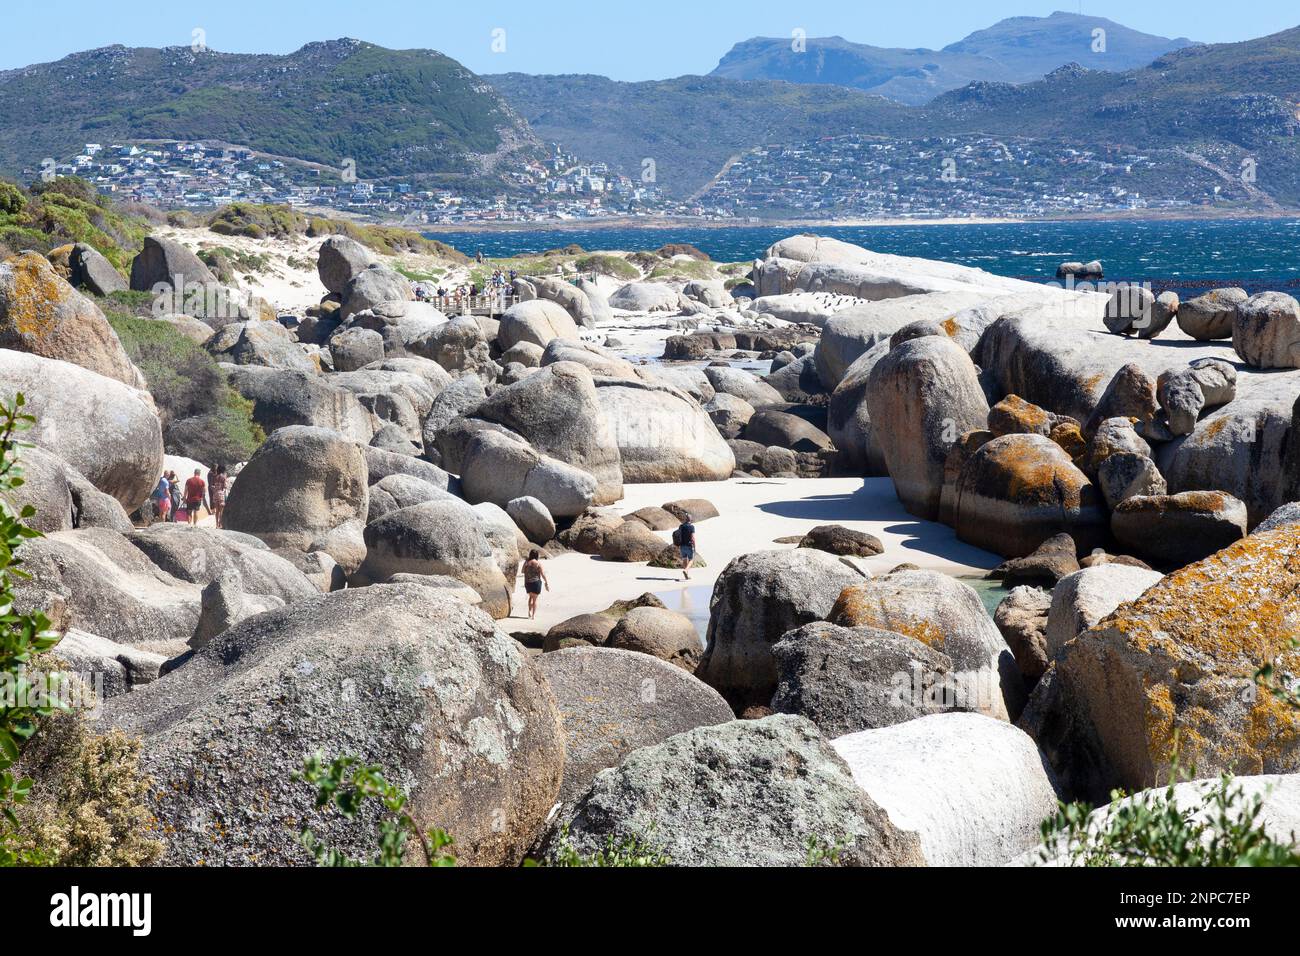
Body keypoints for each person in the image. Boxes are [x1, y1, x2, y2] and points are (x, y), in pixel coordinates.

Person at [521, 550, 549, 620]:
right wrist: (546, 582)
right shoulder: (538, 563)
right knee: (535, 600)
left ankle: (529, 611)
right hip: (536, 583)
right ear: (537, 556)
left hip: (528, 583)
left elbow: (522, 571)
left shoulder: (527, 562)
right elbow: (542, 574)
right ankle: (533, 615)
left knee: (530, 597)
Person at [675, 514, 697, 581]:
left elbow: (678, 535)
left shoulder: (681, 526)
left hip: (682, 545)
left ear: (685, 519)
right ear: (691, 519)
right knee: (691, 560)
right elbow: (692, 538)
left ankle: (686, 575)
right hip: (689, 545)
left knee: (684, 559)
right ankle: (686, 570)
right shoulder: (691, 527)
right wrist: (694, 546)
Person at [208, 464, 228, 529]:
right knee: (221, 511)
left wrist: (214, 490)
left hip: (215, 494)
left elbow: (211, 486)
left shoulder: (215, 476)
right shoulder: (223, 477)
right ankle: (220, 524)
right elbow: (225, 486)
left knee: (217, 511)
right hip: (221, 494)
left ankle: (216, 525)